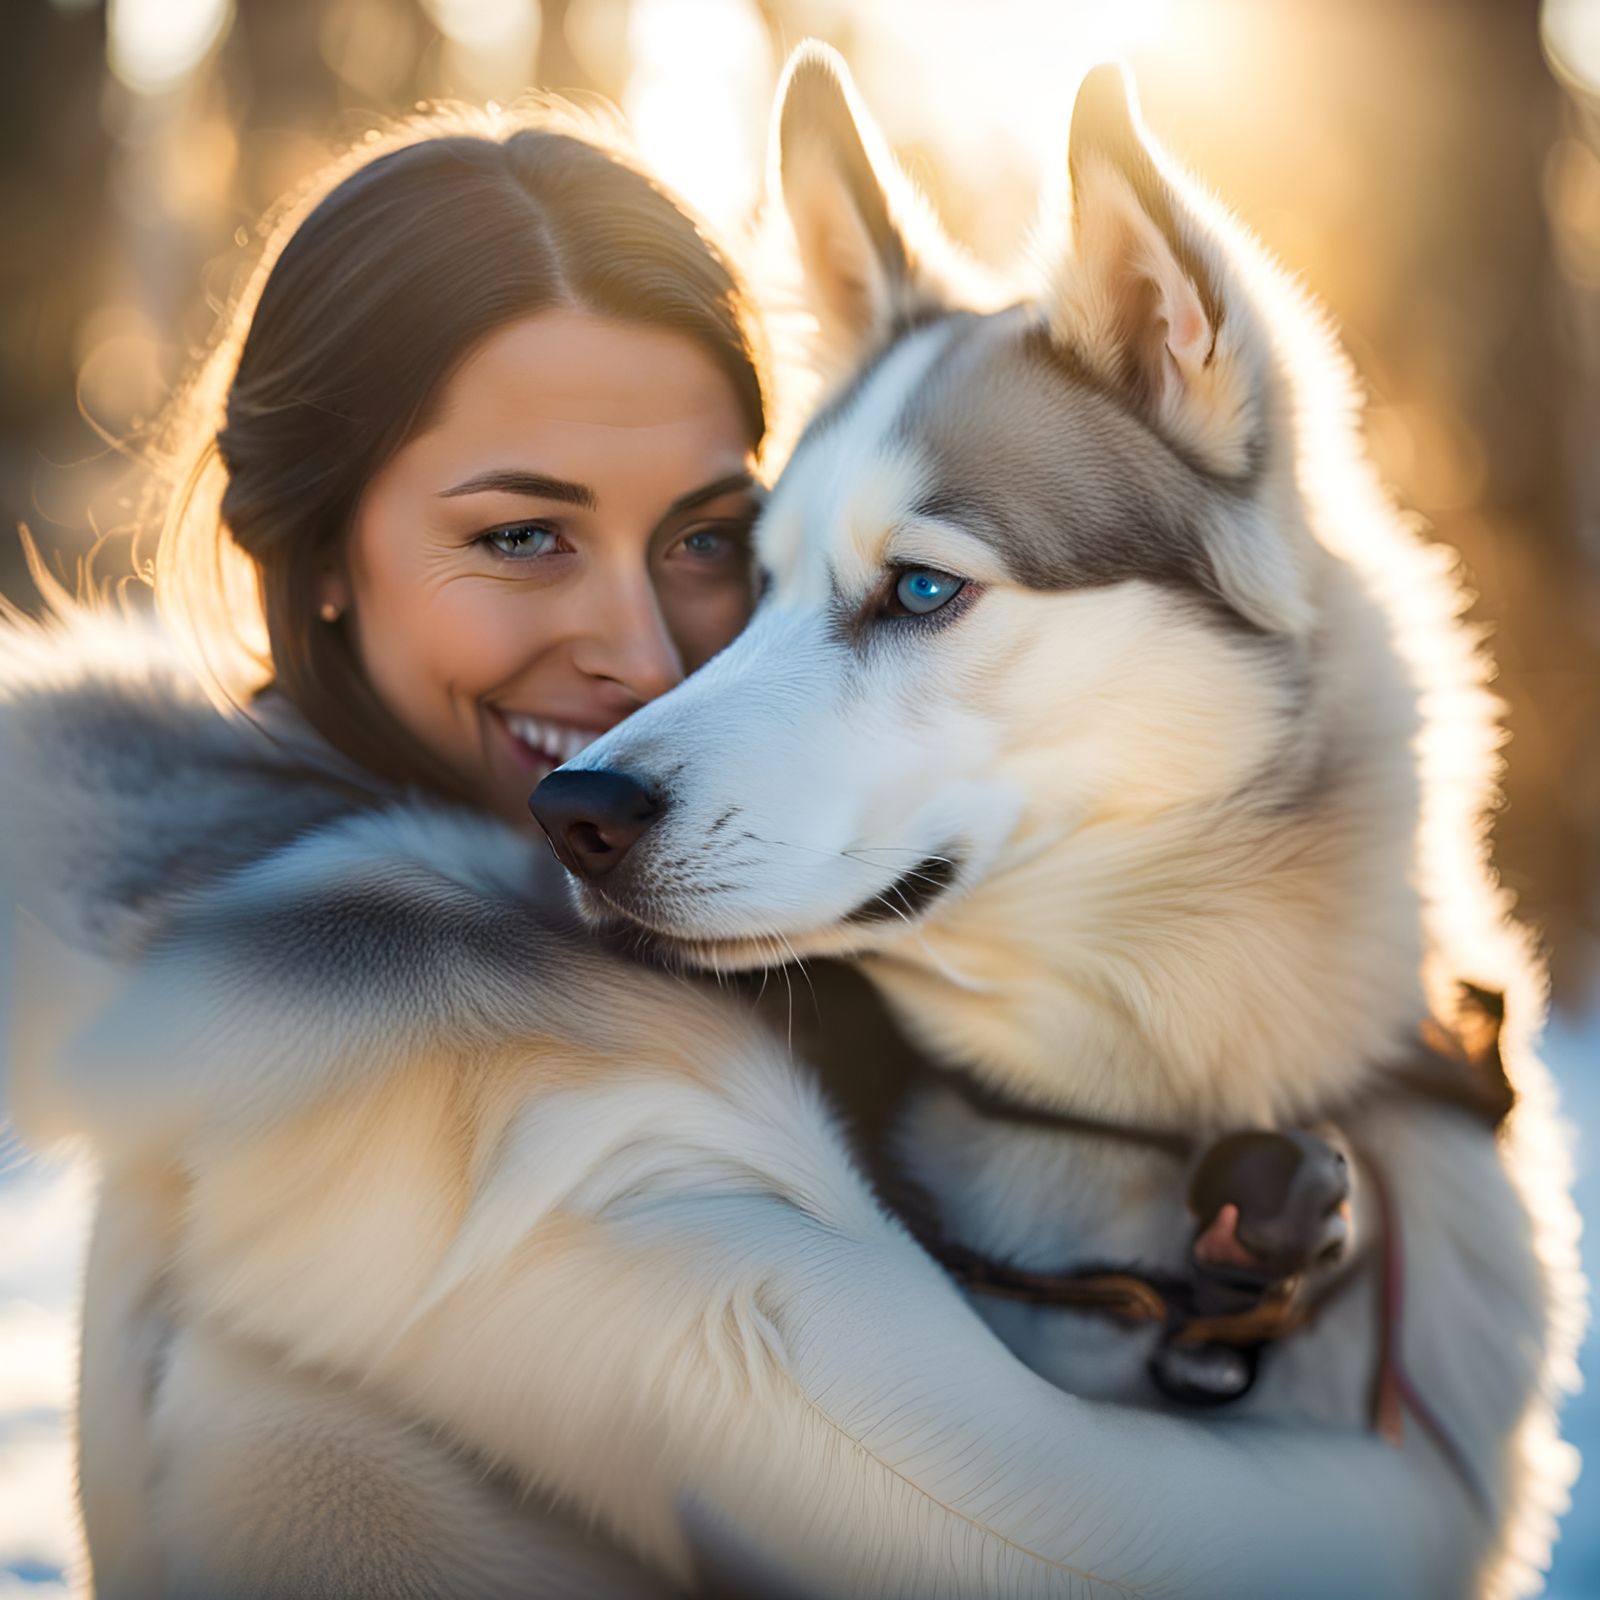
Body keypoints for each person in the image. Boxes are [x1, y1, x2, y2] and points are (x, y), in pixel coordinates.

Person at [2, 101, 1486, 1599]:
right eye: (524, 536)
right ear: (321, 558)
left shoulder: (675, 956)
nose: (649, 658)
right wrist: (1432, 1493)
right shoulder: (409, 1066)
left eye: (714, 541)